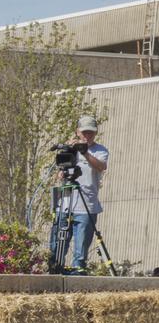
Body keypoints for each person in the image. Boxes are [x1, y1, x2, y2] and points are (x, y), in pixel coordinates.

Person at [49, 114, 109, 273]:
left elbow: (101, 166)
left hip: (86, 205)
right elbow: (59, 172)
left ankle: (77, 274)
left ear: (95, 133)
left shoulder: (100, 150)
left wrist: (85, 152)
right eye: (84, 132)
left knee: (80, 251)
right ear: (77, 132)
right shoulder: (70, 148)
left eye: (91, 132)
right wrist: (68, 153)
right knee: (57, 246)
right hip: (65, 204)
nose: (87, 135)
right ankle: (55, 271)